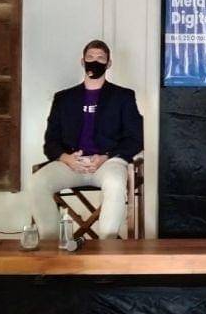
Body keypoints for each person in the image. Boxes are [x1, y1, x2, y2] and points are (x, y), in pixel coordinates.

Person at [29, 40, 143, 240]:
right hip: (71, 163)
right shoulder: (64, 98)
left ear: (109, 63)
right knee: (38, 183)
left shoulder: (123, 96)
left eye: (100, 58)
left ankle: (107, 247)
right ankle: (51, 245)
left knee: (115, 183)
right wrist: (66, 158)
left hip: (108, 161)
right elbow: (51, 141)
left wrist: (106, 156)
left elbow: (136, 138)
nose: (94, 61)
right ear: (82, 61)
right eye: (90, 57)